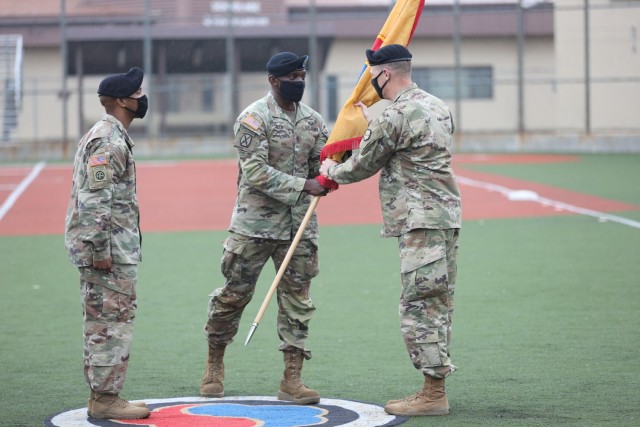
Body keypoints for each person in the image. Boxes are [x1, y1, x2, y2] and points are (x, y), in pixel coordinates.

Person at [319, 44, 461, 417]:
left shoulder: (393, 116)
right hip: (444, 219)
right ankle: (435, 385)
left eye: (372, 76)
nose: (371, 82)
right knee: (438, 303)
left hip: (419, 222)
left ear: (384, 74)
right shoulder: (438, 106)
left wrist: (329, 170)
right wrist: (373, 129)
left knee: (419, 305)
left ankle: (433, 393)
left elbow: (359, 167)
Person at [200, 52, 329, 404]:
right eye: (292, 76)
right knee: (234, 296)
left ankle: (292, 379)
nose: (299, 81)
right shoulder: (254, 119)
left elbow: (321, 165)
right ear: (273, 80)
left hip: (299, 227)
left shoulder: (314, 121)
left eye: (302, 75)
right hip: (254, 226)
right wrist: (305, 185)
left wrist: (335, 166)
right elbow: (255, 173)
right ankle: (214, 362)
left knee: (297, 302)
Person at [64, 67, 150, 420]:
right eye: (137, 92)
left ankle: (107, 393)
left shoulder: (111, 136)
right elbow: (95, 200)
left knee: (112, 319)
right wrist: (100, 250)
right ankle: (104, 398)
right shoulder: (108, 141)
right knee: (107, 324)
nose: (142, 97)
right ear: (120, 101)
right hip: (107, 251)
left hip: (114, 247)